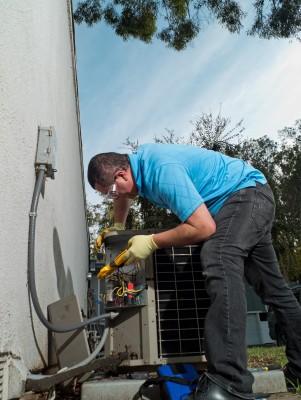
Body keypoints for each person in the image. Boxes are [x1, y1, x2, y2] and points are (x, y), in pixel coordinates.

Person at [87, 143, 301, 400]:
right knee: (274, 289)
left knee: (218, 256)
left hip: (244, 196)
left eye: (110, 191)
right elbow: (124, 196)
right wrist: (118, 226)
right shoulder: (138, 166)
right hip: (245, 201)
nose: (113, 197)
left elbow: (203, 228)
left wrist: (153, 241)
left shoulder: (162, 171)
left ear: (122, 174)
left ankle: (230, 383)